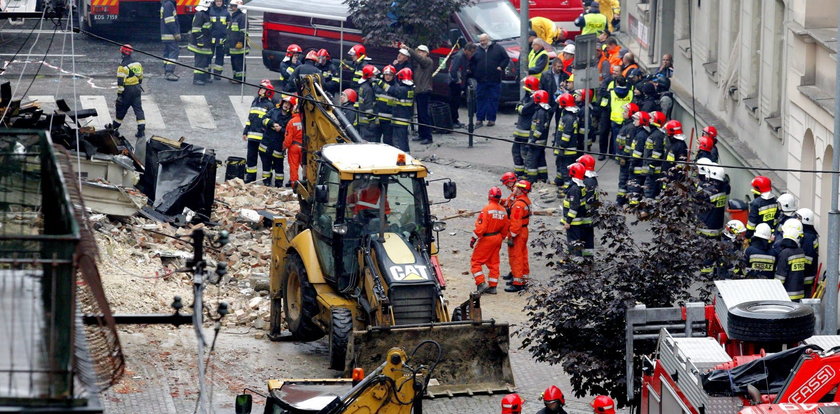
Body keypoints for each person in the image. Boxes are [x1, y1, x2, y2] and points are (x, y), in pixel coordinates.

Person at [470, 187, 510, 295]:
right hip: (497, 238)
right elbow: (506, 228)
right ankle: (493, 287)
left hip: (487, 238)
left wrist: (474, 238)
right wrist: (500, 238)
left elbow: (481, 228)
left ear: (489, 196)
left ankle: (481, 283)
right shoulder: (503, 211)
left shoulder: (487, 209)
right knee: (494, 263)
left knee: (476, 262)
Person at [471, 33, 510, 127]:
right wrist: (475, 72)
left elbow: (506, 58)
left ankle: (491, 119)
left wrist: (501, 67)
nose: (482, 42)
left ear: (488, 40)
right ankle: (479, 118)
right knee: (480, 99)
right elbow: (472, 62)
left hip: (494, 79)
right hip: (481, 80)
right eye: (480, 41)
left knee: (493, 99)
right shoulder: (477, 50)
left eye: (483, 40)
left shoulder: (498, 48)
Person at [242, 81, 276, 183]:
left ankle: (266, 179)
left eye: (263, 88)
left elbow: (270, 122)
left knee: (266, 159)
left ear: (268, 92)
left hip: (263, 138)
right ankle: (250, 177)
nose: (260, 90)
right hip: (252, 136)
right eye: (260, 88)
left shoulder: (269, 105)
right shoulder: (255, 102)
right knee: (251, 157)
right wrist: (245, 131)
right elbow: (250, 119)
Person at [402, 44, 435, 145]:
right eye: (418, 51)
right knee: (421, 115)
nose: (419, 53)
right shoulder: (420, 65)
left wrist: (408, 49)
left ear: (426, 53)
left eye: (421, 51)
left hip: (424, 91)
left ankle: (428, 137)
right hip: (420, 91)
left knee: (424, 115)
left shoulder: (428, 61)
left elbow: (419, 59)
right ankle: (422, 134)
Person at [112, 44, 146, 139]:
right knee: (138, 109)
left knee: (121, 109)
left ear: (122, 53)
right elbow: (140, 77)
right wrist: (137, 84)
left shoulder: (122, 67)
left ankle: (114, 128)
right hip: (137, 88)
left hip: (127, 90)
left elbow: (120, 82)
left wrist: (120, 94)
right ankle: (141, 129)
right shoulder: (137, 64)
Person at [505, 180, 532, 292]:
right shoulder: (525, 201)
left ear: (521, 190)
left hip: (518, 233)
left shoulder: (518, 205)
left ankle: (517, 283)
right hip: (524, 231)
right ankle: (524, 279)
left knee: (516, 257)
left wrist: (510, 236)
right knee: (523, 255)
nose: (514, 190)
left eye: (516, 188)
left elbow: (515, 223)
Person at [260, 96, 293, 186]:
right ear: (282, 103)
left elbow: (289, 131)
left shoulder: (290, 117)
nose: (286, 105)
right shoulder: (274, 111)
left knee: (279, 165)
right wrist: (272, 124)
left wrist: (281, 129)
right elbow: (263, 120)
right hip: (267, 143)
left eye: (288, 104)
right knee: (266, 164)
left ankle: (279, 183)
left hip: (279, 144)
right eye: (285, 103)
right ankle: (266, 180)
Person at [512, 76, 540, 178]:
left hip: (526, 132)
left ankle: (527, 175)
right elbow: (519, 106)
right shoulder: (528, 96)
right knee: (516, 151)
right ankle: (519, 172)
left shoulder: (534, 99)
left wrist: (519, 107)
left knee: (525, 154)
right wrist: (519, 106)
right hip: (520, 131)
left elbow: (522, 110)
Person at [775, 219, 808, 301]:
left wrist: (775, 289)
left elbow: (780, 277)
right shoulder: (801, 251)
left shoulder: (785, 253)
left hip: (787, 294)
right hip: (799, 292)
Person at [563, 163, 591, 256]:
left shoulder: (574, 189)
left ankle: (576, 263)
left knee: (574, 242)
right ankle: (577, 260)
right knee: (577, 242)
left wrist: (568, 221)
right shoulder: (580, 185)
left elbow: (574, 207)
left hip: (574, 222)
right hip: (578, 220)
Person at [448, 43, 476, 129]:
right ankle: (453, 121)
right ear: (467, 50)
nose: (472, 55)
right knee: (454, 102)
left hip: (459, 82)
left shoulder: (463, 56)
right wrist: (457, 80)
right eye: (471, 52)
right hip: (455, 84)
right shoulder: (459, 56)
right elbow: (453, 70)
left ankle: (455, 120)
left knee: (456, 103)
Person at [614, 102, 638, 205]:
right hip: (622, 157)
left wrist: (624, 157)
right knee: (622, 179)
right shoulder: (627, 125)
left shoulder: (631, 128)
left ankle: (622, 200)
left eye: (625, 111)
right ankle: (621, 199)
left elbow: (628, 146)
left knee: (624, 179)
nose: (623, 113)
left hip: (626, 159)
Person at [554, 93, 579, 190]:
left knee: (565, 167)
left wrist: (562, 146)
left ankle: (567, 187)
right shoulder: (567, 114)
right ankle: (559, 180)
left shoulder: (568, 118)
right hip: (564, 148)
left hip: (567, 149)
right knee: (560, 163)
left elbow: (566, 134)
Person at [527, 90, 552, 183]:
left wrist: (533, 140)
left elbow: (539, 128)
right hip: (541, 142)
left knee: (531, 160)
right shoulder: (543, 110)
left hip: (536, 142)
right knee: (541, 160)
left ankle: (531, 179)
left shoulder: (541, 112)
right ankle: (543, 177)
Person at [626, 110, 651, 205]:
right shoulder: (641, 133)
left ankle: (633, 204)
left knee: (634, 185)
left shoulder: (640, 136)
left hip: (637, 166)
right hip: (639, 165)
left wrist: (632, 164)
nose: (634, 122)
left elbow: (637, 154)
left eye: (636, 119)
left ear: (642, 121)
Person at [389, 68, 415, 152]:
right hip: (405, 118)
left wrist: (379, 82)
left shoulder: (402, 90)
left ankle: (403, 156)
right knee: (404, 139)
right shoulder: (410, 89)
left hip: (399, 119)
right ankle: (406, 154)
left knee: (399, 141)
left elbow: (391, 90)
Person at [188, 0, 213, 85]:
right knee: (200, 61)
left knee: (205, 61)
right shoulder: (200, 14)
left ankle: (204, 77)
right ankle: (197, 79)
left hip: (205, 41)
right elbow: (196, 29)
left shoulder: (204, 14)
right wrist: (200, 40)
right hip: (200, 43)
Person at [577, 153, 598, 254]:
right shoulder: (591, 180)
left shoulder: (587, 181)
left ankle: (585, 261)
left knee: (583, 239)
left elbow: (587, 201)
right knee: (588, 240)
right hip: (589, 215)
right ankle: (588, 260)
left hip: (585, 216)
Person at [643, 111, 667, 198]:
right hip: (651, 168)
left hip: (653, 170)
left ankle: (647, 209)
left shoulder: (657, 136)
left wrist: (651, 166)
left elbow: (657, 153)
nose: (649, 120)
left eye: (652, 118)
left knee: (649, 191)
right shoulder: (655, 134)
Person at [746, 175, 779, 239]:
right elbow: (776, 218)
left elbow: (751, 224)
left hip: (758, 235)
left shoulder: (755, 204)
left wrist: (747, 236)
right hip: (771, 234)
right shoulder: (775, 201)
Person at [797, 208, 819, 296]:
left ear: (805, 220)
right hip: (805, 276)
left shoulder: (808, 237)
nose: (796, 220)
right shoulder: (809, 234)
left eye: (799, 218)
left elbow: (807, 259)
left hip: (805, 277)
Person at [226, 0, 248, 84]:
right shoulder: (234, 16)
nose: (232, 8)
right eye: (232, 6)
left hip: (239, 45)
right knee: (234, 61)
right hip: (233, 44)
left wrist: (240, 41)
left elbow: (244, 31)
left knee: (239, 62)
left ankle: (240, 79)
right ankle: (235, 77)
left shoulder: (242, 17)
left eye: (234, 6)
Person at [374, 65, 397, 145]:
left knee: (388, 141)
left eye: (390, 75)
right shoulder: (377, 86)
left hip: (388, 120)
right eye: (386, 75)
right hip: (377, 118)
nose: (388, 77)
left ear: (393, 76)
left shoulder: (395, 87)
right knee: (375, 141)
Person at [662, 120, 688, 185]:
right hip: (667, 175)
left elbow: (680, 166)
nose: (666, 133)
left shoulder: (680, 145)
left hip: (673, 179)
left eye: (667, 130)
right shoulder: (672, 142)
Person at [356, 65, 379, 142]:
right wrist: (372, 121)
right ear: (370, 76)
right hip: (368, 123)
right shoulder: (368, 89)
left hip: (363, 121)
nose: (376, 76)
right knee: (369, 143)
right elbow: (369, 107)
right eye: (374, 75)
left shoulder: (363, 86)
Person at [160, 0, 181, 81]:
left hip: (165, 34)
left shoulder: (165, 4)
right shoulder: (169, 5)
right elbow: (170, 22)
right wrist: (175, 33)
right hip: (170, 35)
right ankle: (169, 72)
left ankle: (166, 71)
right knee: (174, 51)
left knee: (167, 52)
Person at [208, 0, 229, 80]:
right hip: (211, 38)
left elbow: (229, 25)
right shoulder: (210, 11)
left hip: (221, 39)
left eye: (220, 1)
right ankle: (208, 74)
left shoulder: (226, 12)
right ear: (214, 2)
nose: (219, 3)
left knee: (220, 57)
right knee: (209, 56)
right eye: (217, 1)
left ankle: (217, 74)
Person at [283, 101, 303, 187]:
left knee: (294, 167)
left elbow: (288, 138)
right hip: (304, 147)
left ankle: (294, 184)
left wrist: (284, 147)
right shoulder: (306, 121)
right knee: (306, 166)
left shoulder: (292, 122)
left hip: (294, 147)